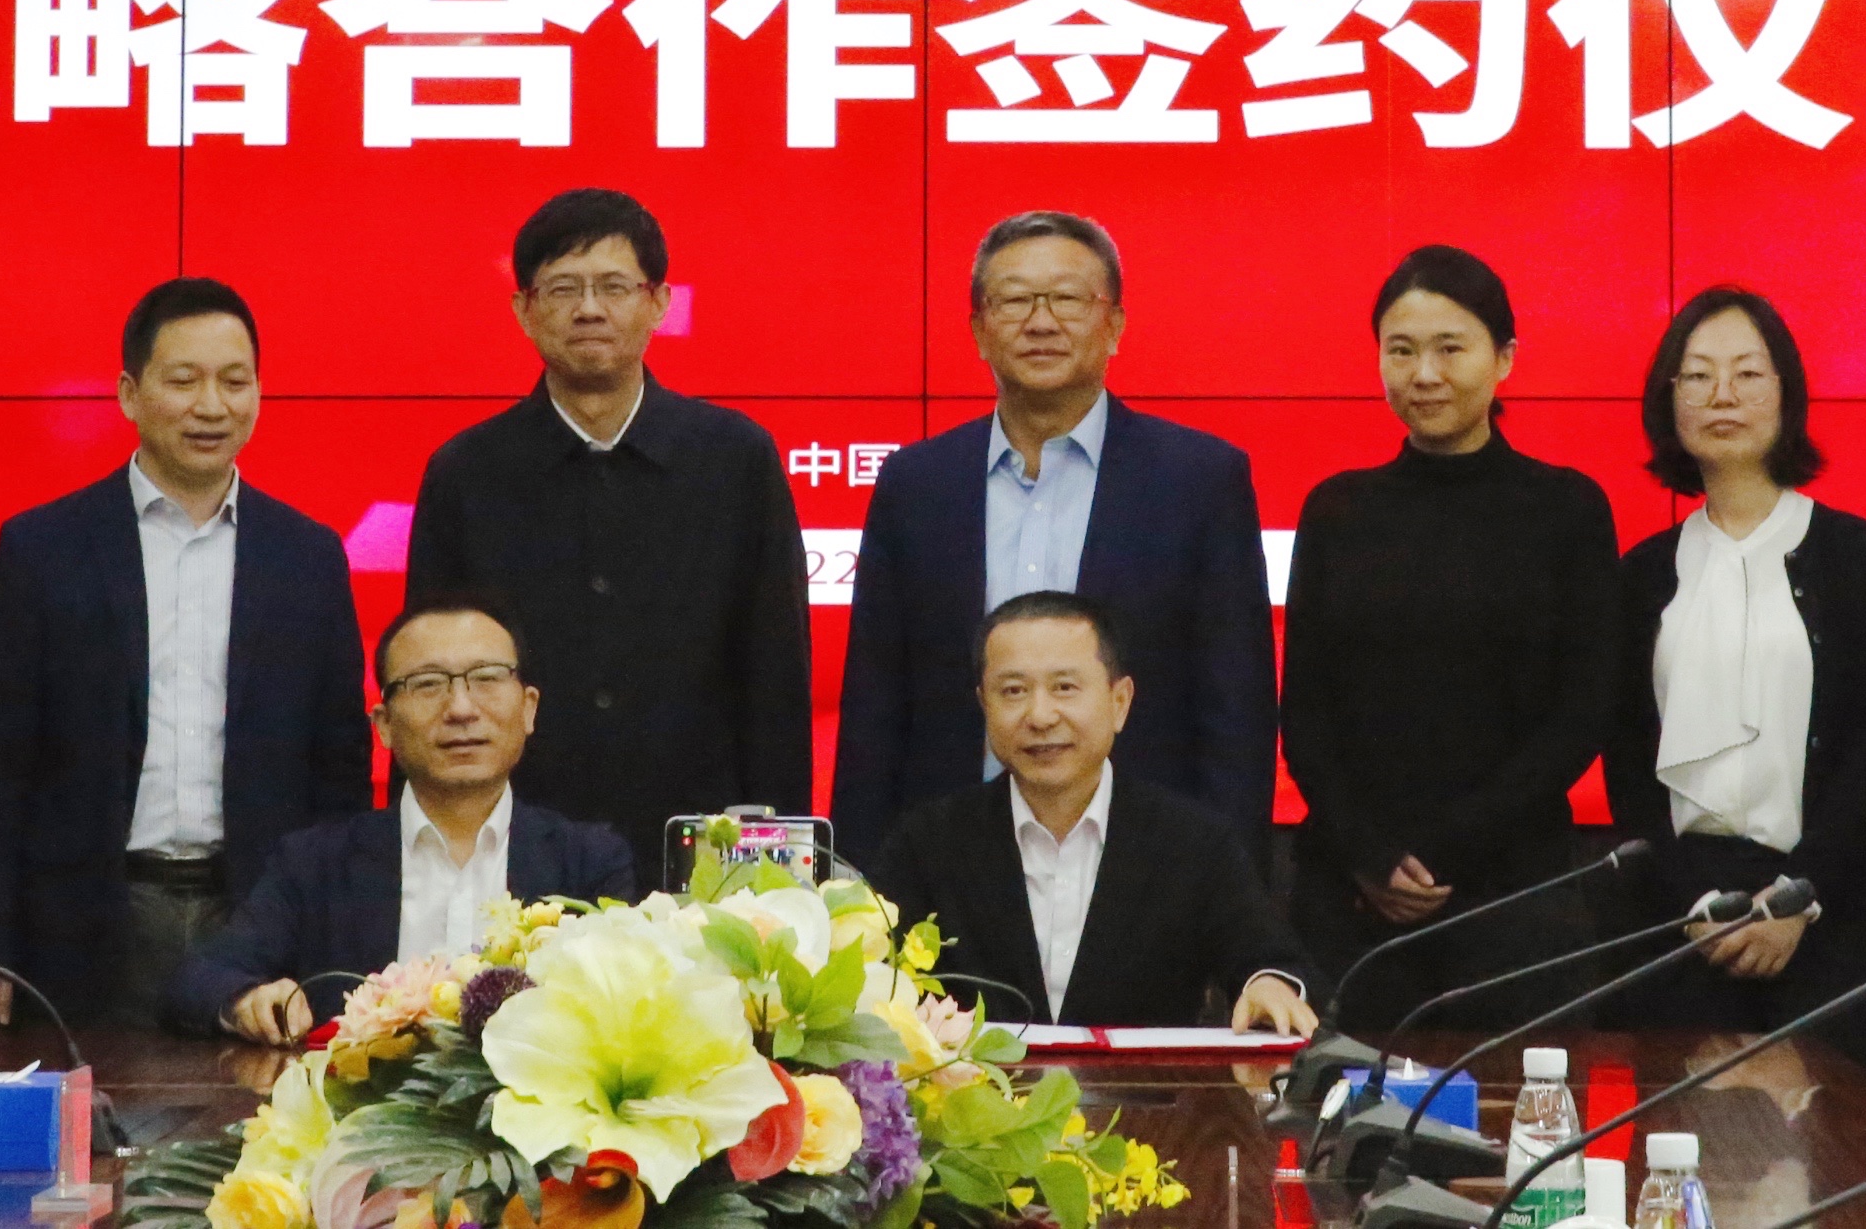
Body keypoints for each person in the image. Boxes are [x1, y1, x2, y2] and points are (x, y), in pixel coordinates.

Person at [0, 278, 372, 1031]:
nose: (212, 405)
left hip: (258, 922)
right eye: (183, 381)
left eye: (235, 381)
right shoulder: (44, 548)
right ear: (129, 393)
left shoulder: (307, 556)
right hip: (83, 922)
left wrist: (331, 940)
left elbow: (337, 768)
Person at [833, 213, 1276, 862]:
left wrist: (1229, 885)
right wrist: (857, 880)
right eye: (1014, 300)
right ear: (979, 331)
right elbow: (875, 705)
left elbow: (1235, 710)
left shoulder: (1201, 480)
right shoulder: (917, 483)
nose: (1041, 322)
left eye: (1067, 298)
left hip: (1146, 861)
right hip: (951, 861)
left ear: (1114, 325)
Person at [405, 188, 813, 871]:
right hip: (514, 848)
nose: (589, 308)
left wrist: (772, 870)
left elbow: (775, 679)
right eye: (564, 288)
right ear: (524, 310)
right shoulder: (467, 473)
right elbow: (427, 677)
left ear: (659, 302)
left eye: (614, 287)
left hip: (700, 849)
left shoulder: (735, 458)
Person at [1278, 247, 1623, 1024]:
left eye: (1450, 348)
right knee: (1340, 1098)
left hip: (1513, 897)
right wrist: (1370, 854)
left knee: (1515, 1098)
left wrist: (1439, 848)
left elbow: (1583, 712)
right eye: (1400, 351)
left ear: (1504, 358)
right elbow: (1305, 710)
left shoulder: (1566, 508)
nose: (1424, 373)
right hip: (1352, 898)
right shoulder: (1337, 509)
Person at [1600, 286, 1866, 1067]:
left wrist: (1799, 896)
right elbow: (1628, 758)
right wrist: (1691, 903)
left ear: (1786, 393)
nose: (1723, 394)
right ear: (1669, 399)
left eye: (1747, 373)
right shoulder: (1643, 572)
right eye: (1698, 375)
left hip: (1825, 908)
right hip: (1679, 916)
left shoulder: (1855, 554)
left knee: (1829, 1132)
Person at [167, 598, 638, 1040]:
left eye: (487, 678)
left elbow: (630, 999)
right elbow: (202, 977)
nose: (461, 709)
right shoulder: (315, 864)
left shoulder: (588, 863)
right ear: (384, 725)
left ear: (528, 708)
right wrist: (246, 1001)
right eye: (428, 684)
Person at [869, 594, 1317, 1032]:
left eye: (1064, 687)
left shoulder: (1192, 841)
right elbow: (872, 974)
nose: (1040, 716)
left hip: (1146, 1084)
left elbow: (1268, 959)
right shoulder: (927, 842)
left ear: (1119, 702)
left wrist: (1268, 985)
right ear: (984, 705)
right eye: (1013, 691)